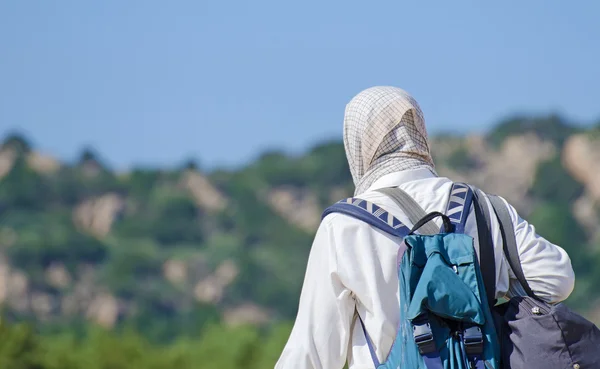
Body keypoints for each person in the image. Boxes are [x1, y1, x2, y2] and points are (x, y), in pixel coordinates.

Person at [274, 86, 575, 369]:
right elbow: (557, 279)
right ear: (419, 131)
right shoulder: (485, 207)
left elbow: (312, 351)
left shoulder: (344, 225)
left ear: (357, 144)